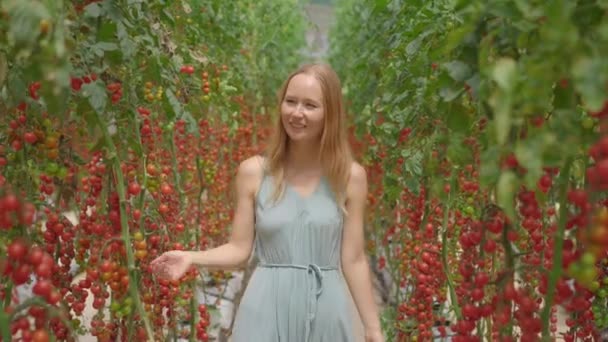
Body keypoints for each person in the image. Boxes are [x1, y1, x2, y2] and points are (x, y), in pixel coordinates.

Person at [150, 63, 384, 342]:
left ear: (329, 115)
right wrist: (191, 257)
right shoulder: (253, 173)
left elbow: (354, 259)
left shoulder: (350, 178)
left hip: (326, 310)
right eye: (291, 101)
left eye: (310, 105)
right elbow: (239, 249)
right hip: (264, 309)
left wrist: (373, 328)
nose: (297, 113)